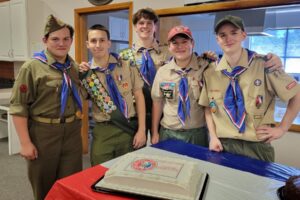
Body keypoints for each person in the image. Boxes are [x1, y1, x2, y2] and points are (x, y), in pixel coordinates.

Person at [199, 15, 300, 162]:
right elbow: (208, 107)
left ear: (243, 35)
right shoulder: (210, 72)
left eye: (234, 33)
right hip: (223, 144)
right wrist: (213, 136)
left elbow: (296, 94)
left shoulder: (265, 65)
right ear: (217, 40)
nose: (228, 38)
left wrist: (282, 128)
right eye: (223, 35)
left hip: (257, 146)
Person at [9, 15, 83, 200]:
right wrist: (25, 143)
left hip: (72, 133)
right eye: (55, 39)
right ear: (45, 40)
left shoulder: (73, 67)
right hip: (44, 134)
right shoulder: (32, 67)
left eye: (66, 39)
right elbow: (18, 107)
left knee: (71, 184)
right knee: (44, 186)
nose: (61, 43)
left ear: (71, 40)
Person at [79, 24, 146, 166]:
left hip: (127, 129)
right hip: (103, 130)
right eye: (93, 41)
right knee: (100, 172)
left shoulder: (127, 66)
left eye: (102, 40)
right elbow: (81, 99)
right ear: (87, 44)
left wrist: (142, 130)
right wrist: (81, 75)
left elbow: (139, 97)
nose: (98, 45)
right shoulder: (86, 74)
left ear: (109, 43)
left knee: (128, 172)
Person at [151, 25, 211, 147]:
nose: (180, 47)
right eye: (175, 43)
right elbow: (157, 103)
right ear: (169, 46)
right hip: (168, 132)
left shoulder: (205, 67)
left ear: (192, 43)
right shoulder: (163, 71)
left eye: (184, 42)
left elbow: (211, 104)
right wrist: (154, 132)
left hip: (197, 134)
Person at [119, 8, 170, 144]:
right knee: (136, 152)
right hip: (135, 112)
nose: (145, 26)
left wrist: (206, 57)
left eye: (149, 23)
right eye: (141, 23)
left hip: (162, 110)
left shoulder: (167, 52)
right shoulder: (124, 56)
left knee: (162, 150)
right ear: (135, 27)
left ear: (155, 26)